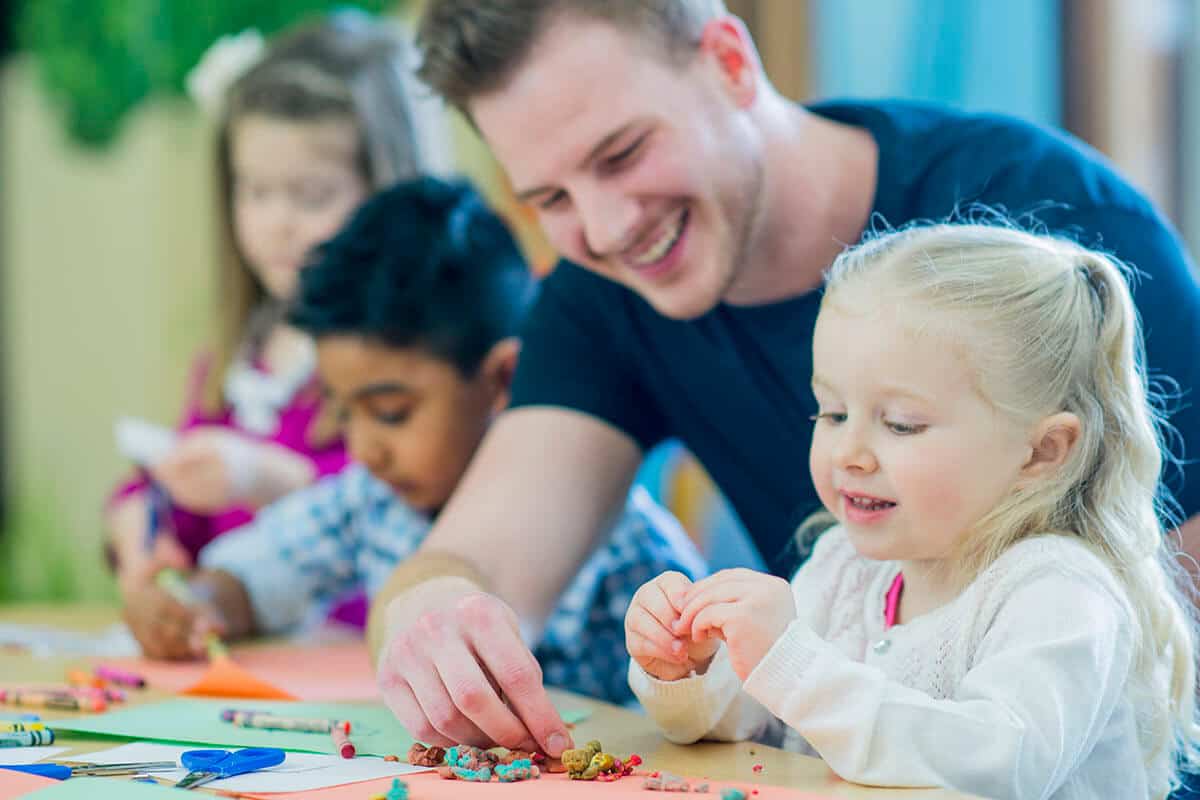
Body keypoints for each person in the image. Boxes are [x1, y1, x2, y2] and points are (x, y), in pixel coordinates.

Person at [371, 0, 1200, 757]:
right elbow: (470, 560)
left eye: (622, 153)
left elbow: (1134, 651)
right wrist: (429, 621)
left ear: (730, 61)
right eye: (548, 197)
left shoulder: (1051, 226)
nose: (605, 226)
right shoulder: (606, 292)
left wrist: (809, 674)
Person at [626, 224, 1200, 799]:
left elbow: (999, 769)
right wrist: (689, 670)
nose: (849, 453)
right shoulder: (845, 566)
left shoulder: (1063, 594)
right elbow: (751, 723)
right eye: (831, 414)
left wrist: (792, 662)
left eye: (901, 423)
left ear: (1042, 452)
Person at [121, 177, 706, 709]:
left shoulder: (625, 547)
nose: (365, 447)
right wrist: (195, 604)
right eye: (343, 412)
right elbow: (260, 574)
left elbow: (707, 707)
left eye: (391, 413)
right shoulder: (371, 502)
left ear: (502, 379)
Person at [105, 14, 436, 625]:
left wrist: (261, 476)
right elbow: (179, 497)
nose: (276, 223)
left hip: (364, 666)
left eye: (311, 196)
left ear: (388, 192)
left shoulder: (417, 363)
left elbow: (404, 525)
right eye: (254, 192)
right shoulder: (242, 355)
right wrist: (143, 531)